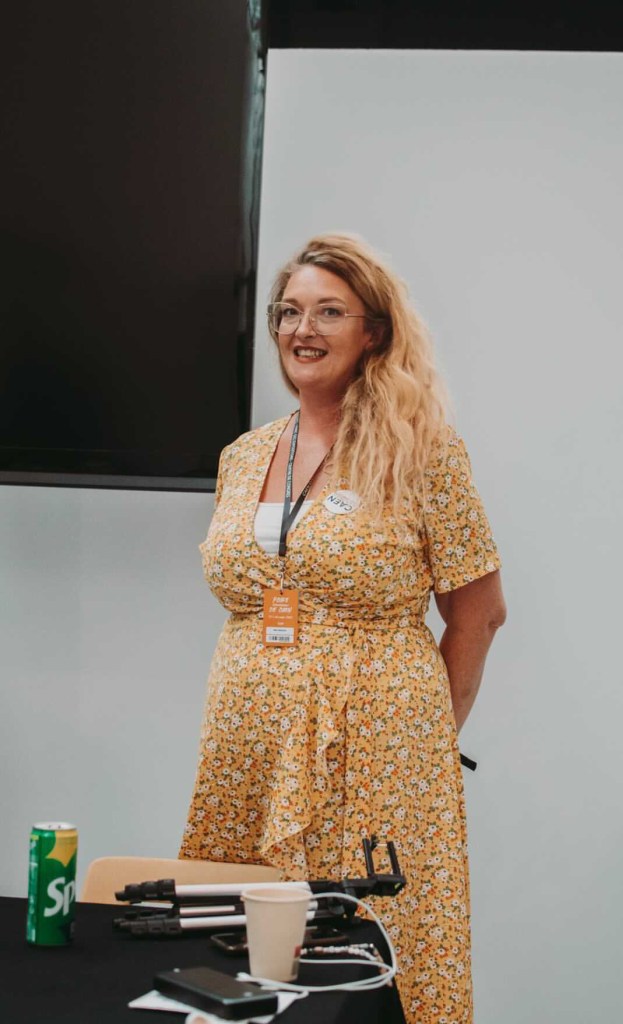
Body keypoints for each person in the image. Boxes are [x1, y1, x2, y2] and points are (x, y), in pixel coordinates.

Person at [180, 233, 506, 1023]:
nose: (303, 330)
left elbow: (480, 611)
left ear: (374, 332)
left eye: (329, 312)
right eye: (289, 312)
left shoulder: (422, 453)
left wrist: (423, 740)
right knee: (236, 957)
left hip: (375, 753)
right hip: (248, 748)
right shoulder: (244, 456)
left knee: (367, 958)